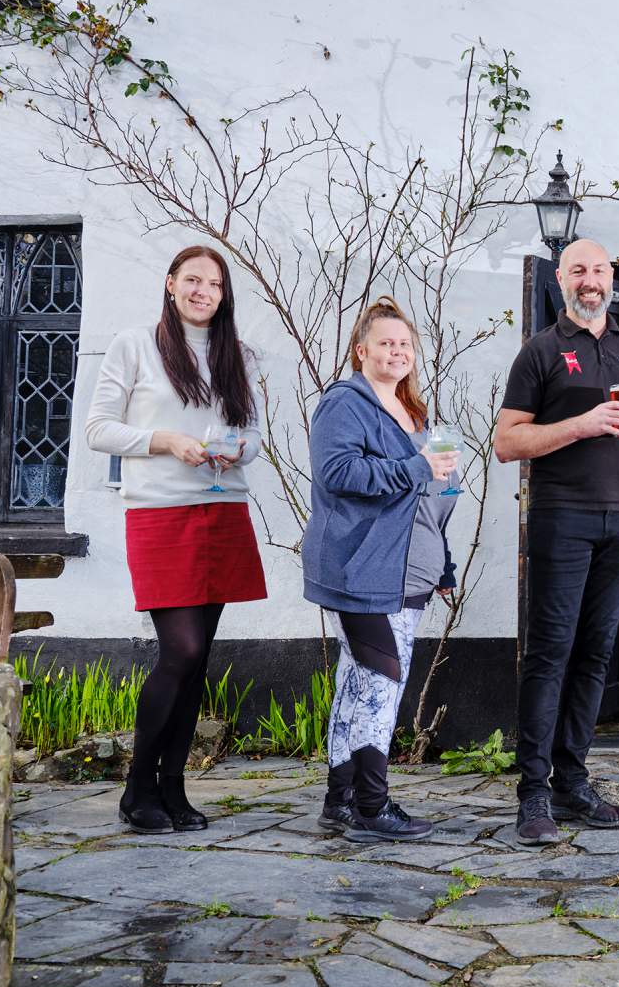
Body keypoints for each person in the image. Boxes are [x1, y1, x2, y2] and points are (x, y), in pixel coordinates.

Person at [495, 238, 619, 844]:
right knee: (550, 654)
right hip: (562, 518)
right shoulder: (540, 351)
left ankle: (573, 779)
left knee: (597, 654)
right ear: (562, 279)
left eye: (598, 270)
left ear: (612, 277)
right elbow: (507, 442)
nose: (589, 280)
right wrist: (582, 424)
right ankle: (533, 793)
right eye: (578, 270)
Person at [86, 244, 266, 834]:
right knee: (180, 651)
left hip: (221, 508)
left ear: (223, 294)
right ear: (170, 284)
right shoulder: (135, 344)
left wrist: (237, 449)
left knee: (198, 661)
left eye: (214, 284)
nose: (202, 292)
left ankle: (173, 789)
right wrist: (164, 440)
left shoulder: (235, 354)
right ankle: (138, 789)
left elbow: (254, 433)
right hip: (162, 513)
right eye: (192, 280)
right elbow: (98, 429)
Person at [302, 297, 460, 842]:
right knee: (380, 684)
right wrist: (418, 466)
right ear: (360, 350)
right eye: (386, 342)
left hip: (408, 572)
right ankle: (372, 805)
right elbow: (338, 471)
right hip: (363, 568)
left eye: (405, 344)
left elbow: (424, 499)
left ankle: (338, 801)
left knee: (357, 681)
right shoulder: (345, 404)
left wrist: (443, 560)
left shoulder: (411, 412)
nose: (397, 351)